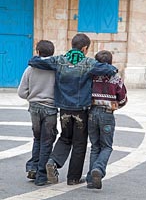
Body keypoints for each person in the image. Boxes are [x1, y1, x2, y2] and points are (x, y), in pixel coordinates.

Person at [28, 33, 118, 186]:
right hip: (81, 110)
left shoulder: (59, 60)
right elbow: (111, 70)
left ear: (72, 45)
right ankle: (73, 178)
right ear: (84, 48)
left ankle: (53, 161)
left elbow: (34, 61)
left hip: (64, 109)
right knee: (79, 144)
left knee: (65, 138)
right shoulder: (89, 63)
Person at [18, 40, 58, 186]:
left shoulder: (30, 69)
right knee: (47, 141)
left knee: (37, 139)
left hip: (34, 108)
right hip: (50, 109)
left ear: (38, 52)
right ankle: (41, 176)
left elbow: (21, 92)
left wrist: (33, 96)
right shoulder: (56, 69)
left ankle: (33, 168)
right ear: (53, 53)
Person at [86, 50, 128, 189]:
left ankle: (91, 180)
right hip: (107, 115)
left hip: (92, 113)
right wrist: (115, 104)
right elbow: (122, 98)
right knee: (107, 146)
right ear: (110, 62)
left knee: (95, 146)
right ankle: (98, 168)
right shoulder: (115, 78)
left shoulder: (91, 76)